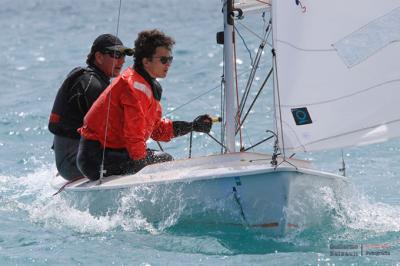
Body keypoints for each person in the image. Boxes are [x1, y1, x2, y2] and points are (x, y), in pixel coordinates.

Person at [77, 29, 213, 181]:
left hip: (113, 152)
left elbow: (157, 130)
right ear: (146, 61)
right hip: (96, 158)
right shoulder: (133, 86)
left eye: (170, 59)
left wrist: (192, 126)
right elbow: (133, 136)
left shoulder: (146, 86)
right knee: (163, 160)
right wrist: (143, 171)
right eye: (163, 60)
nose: (168, 64)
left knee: (162, 160)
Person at [48, 33, 132, 180]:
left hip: (69, 160)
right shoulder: (92, 85)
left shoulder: (88, 78)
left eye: (124, 56)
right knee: (149, 158)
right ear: (99, 57)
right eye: (116, 55)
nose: (122, 61)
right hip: (74, 164)